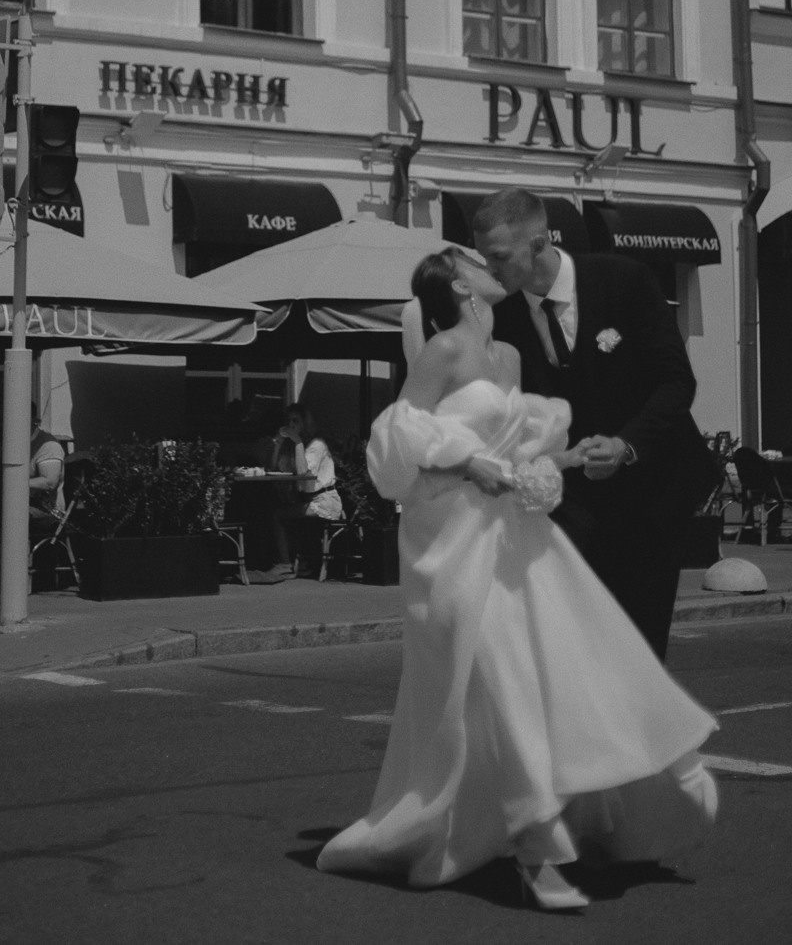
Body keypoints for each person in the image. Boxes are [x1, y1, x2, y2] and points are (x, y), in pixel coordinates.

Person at [317, 248, 717, 912]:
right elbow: (395, 451)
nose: (490, 265)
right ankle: (539, 851)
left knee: (568, 662)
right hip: (453, 541)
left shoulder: (507, 356)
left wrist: (567, 457)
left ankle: (635, 777)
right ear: (458, 284)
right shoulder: (444, 348)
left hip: (514, 538)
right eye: (476, 261)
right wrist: (467, 464)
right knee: (504, 679)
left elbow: (520, 454)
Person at [473, 186, 716, 661]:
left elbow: (676, 381)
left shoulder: (626, 280)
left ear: (539, 244)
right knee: (576, 647)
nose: (490, 269)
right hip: (573, 505)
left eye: (498, 257)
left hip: (652, 494)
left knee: (639, 648)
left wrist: (627, 445)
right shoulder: (501, 319)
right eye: (484, 258)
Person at [265, 407, 343, 580]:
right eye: (288, 421)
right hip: (308, 499)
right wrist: (278, 444)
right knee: (278, 508)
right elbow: (274, 468)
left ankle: (285, 564)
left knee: (278, 514)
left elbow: (303, 474)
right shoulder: (296, 445)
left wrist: (298, 442)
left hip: (325, 501)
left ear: (304, 423)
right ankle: (301, 562)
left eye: (295, 421)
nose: (291, 424)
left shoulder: (316, 445)